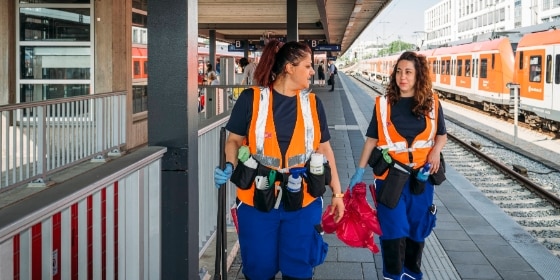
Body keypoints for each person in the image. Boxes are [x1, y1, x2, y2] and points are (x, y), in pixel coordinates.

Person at [214, 40, 345, 280]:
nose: (312, 71)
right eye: (307, 66)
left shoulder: (314, 104)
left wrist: (337, 193)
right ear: (289, 68)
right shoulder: (251, 99)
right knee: (259, 270)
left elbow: (325, 149)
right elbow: (233, 140)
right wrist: (231, 165)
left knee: (299, 271)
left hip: (303, 202)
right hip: (257, 201)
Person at [348, 51, 447, 280]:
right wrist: (359, 170)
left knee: (416, 229)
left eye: (408, 72)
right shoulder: (383, 104)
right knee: (393, 230)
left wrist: (435, 152)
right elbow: (372, 139)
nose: (403, 77)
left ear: (418, 75)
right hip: (390, 179)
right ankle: (393, 276)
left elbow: (441, 135)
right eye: (399, 71)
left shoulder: (432, 102)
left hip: (421, 179)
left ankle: (412, 274)